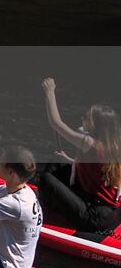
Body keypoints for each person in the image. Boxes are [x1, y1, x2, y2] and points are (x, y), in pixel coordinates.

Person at [38, 78, 121, 232]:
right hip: (110, 212)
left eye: (87, 117)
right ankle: (56, 202)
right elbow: (97, 173)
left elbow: (57, 124)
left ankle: (44, 210)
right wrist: (70, 160)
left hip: (95, 217)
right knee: (58, 162)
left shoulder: (90, 143)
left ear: (97, 124)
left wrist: (50, 93)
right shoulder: (113, 144)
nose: (83, 119)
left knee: (46, 179)